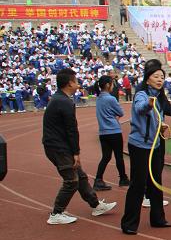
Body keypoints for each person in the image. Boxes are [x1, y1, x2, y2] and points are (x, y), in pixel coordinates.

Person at [42, 68, 116, 225]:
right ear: (70, 83)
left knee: (80, 176)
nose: (78, 84)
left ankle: (96, 205)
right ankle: (56, 213)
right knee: (71, 180)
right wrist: (75, 152)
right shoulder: (64, 102)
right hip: (58, 147)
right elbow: (71, 129)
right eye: (76, 81)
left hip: (58, 145)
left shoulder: (59, 99)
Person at [120, 64, 171, 235]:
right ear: (147, 78)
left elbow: (154, 119)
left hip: (155, 145)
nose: (160, 80)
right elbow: (140, 109)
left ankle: (158, 218)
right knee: (138, 184)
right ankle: (129, 223)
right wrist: (149, 105)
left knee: (156, 183)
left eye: (162, 77)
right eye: (156, 76)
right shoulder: (142, 95)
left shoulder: (160, 96)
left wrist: (161, 125)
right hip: (140, 146)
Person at [93, 75, 129, 191]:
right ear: (108, 85)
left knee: (106, 157)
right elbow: (120, 112)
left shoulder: (98, 99)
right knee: (119, 156)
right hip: (114, 131)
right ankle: (123, 178)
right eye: (112, 84)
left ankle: (98, 179)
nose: (113, 86)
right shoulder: (111, 99)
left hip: (103, 132)